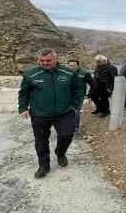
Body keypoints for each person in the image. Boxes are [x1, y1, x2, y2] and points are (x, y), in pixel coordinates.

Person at [18, 49, 82, 178]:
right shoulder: (30, 74)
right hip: (40, 114)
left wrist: (75, 105)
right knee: (41, 141)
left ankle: (60, 153)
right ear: (38, 60)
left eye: (48, 60)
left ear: (55, 59)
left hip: (64, 113)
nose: (45, 63)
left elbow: (78, 89)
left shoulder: (69, 73)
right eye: (42, 61)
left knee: (67, 135)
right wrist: (23, 108)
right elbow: (24, 92)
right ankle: (43, 166)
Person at [66, 58, 95, 136]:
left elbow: (93, 84)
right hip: (66, 96)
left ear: (78, 66)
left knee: (76, 112)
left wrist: (88, 95)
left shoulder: (84, 73)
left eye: (73, 66)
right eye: (70, 66)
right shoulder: (65, 73)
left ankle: (76, 130)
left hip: (78, 96)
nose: (71, 67)